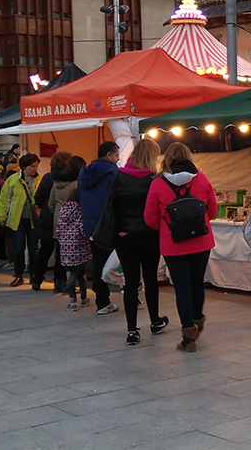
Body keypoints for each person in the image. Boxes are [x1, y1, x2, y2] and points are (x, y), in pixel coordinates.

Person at [144, 142, 215, 352]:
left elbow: (149, 218)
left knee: (182, 288)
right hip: (201, 242)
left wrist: (169, 227)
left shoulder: (157, 184)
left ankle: (188, 337)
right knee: (197, 283)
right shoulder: (201, 178)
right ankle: (197, 319)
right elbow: (212, 209)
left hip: (173, 244)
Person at [106, 138, 168, 345]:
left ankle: (132, 330)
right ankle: (155, 320)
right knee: (151, 280)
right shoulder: (154, 179)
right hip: (150, 236)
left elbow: (111, 206)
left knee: (131, 282)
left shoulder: (119, 177)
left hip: (124, 237)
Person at [78, 141, 119, 315]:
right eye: (116, 155)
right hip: (109, 223)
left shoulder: (84, 173)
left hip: (89, 222)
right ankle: (130, 297)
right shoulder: (113, 173)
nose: (118, 159)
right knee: (117, 261)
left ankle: (102, 301)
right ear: (108, 155)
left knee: (98, 261)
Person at [51, 156, 90, 311]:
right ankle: (83, 297)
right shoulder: (77, 186)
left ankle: (65, 292)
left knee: (68, 272)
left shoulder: (56, 184)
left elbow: (50, 204)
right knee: (81, 274)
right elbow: (82, 229)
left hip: (62, 235)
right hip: (78, 246)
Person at [0, 153, 41, 288]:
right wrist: (2, 216)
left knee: (33, 248)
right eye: (32, 166)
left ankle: (34, 275)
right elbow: (4, 198)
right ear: (24, 167)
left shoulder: (39, 180)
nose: (34, 169)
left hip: (34, 218)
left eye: (36, 166)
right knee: (18, 247)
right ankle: (18, 274)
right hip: (18, 219)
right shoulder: (13, 180)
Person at [31, 151, 71, 292]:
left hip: (47, 217)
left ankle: (37, 280)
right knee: (61, 253)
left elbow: (37, 198)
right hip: (63, 217)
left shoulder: (47, 178)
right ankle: (60, 283)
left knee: (44, 252)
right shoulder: (69, 179)